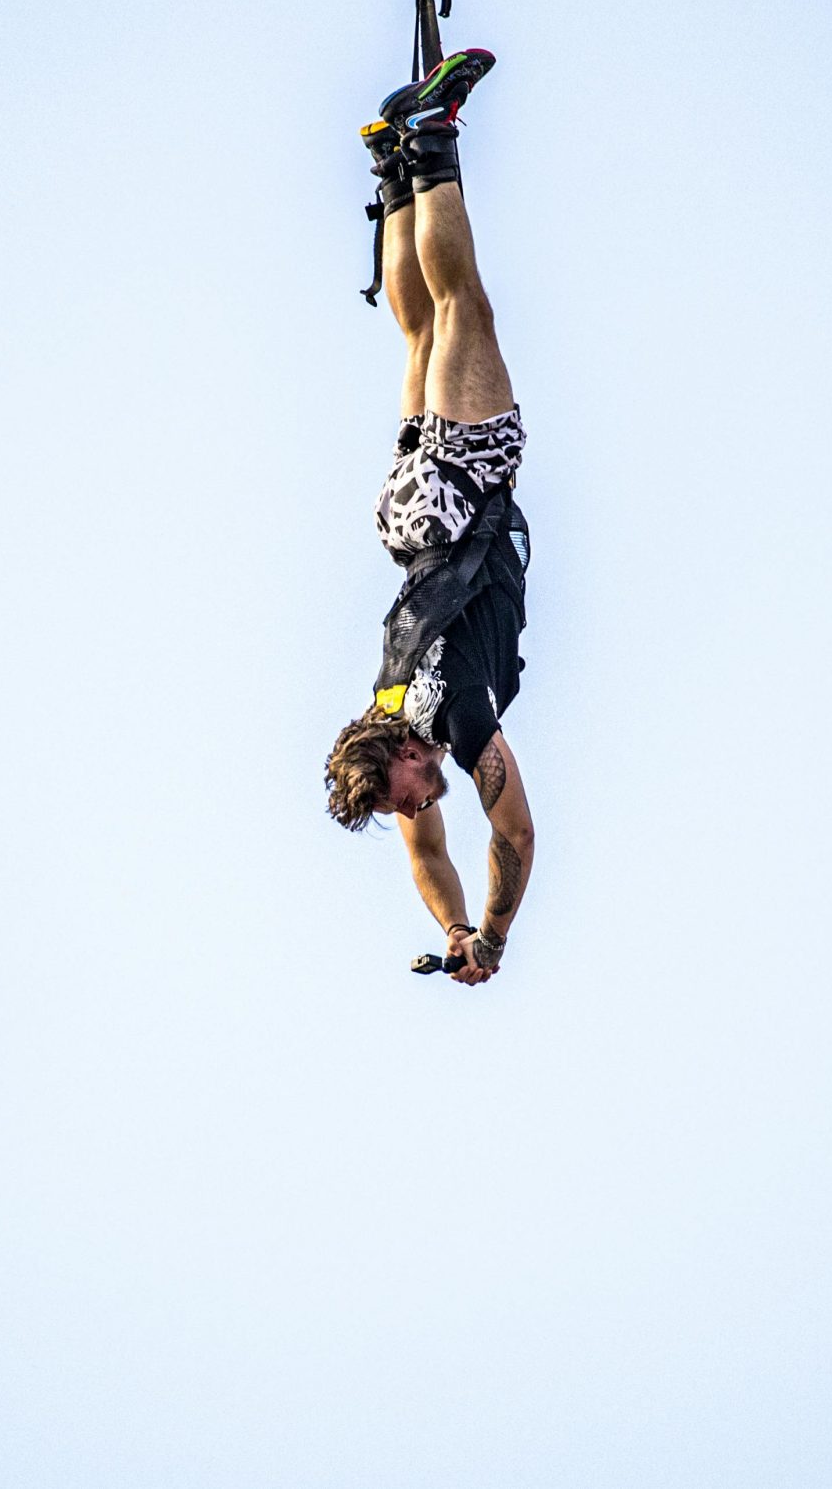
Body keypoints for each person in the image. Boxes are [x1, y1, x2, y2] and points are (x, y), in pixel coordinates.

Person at [323, 48, 536, 987]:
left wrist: (491, 935)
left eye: (401, 795)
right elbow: (427, 860)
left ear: (402, 758)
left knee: (463, 314)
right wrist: (451, 931)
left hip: (457, 495)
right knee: (419, 332)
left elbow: (514, 839)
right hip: (408, 517)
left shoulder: (449, 720)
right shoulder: (387, 712)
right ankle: (393, 166)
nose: (413, 808)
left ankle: (434, 138)